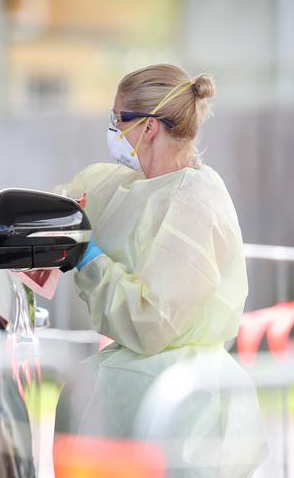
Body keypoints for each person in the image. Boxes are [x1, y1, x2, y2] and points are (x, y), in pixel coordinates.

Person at [52, 64, 266, 475]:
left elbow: (151, 321)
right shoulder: (130, 187)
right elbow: (56, 207)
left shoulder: (195, 203)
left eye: (118, 120)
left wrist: (90, 260)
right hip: (136, 396)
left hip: (182, 410)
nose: (113, 131)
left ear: (149, 128)